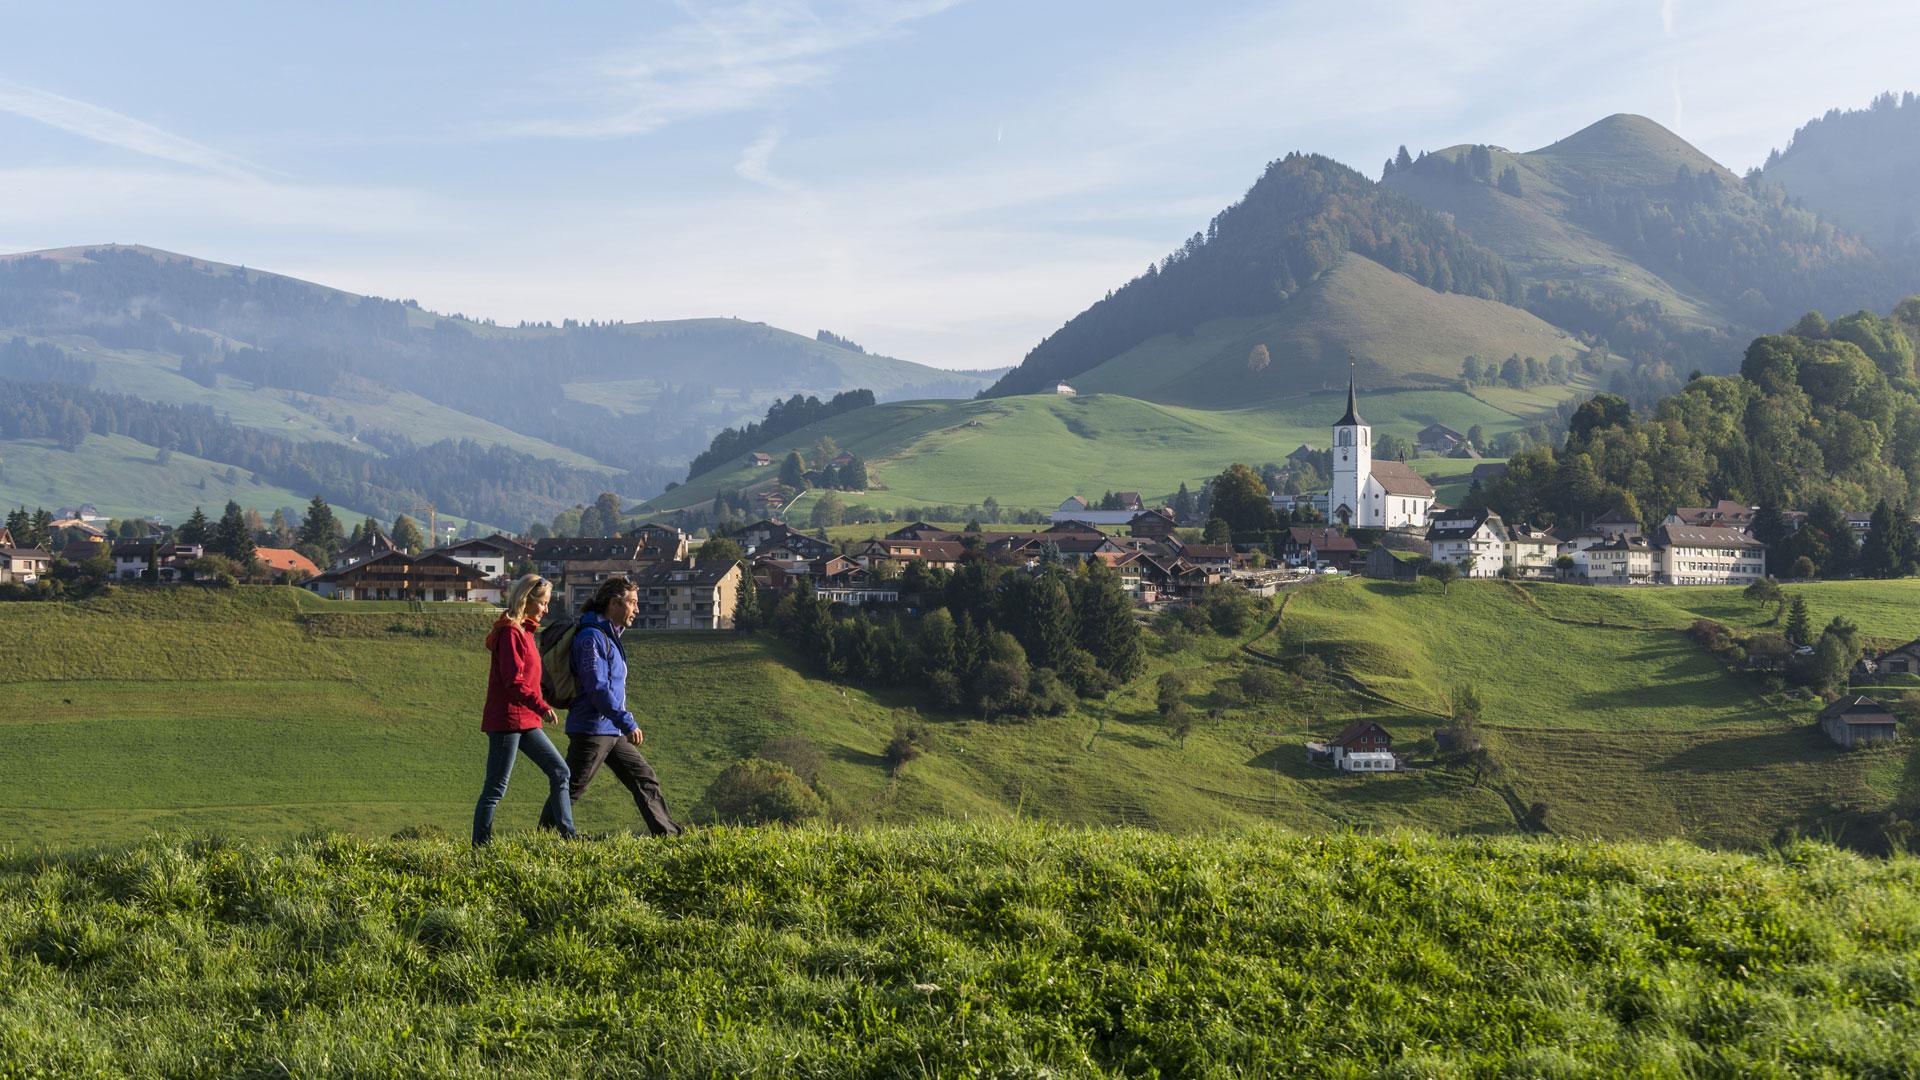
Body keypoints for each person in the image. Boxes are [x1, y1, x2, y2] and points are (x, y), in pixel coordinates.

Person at [542, 575, 683, 835]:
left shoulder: (608, 636)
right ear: (614, 604)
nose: (637, 609)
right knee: (572, 787)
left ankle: (669, 835)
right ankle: (544, 836)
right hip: (592, 728)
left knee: (643, 777)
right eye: (633, 603)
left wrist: (619, 723)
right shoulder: (591, 638)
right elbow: (597, 687)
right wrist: (625, 720)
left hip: (610, 730)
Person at [473, 574, 576, 846]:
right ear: (527, 600)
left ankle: (569, 836)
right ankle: (480, 847)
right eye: (543, 603)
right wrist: (541, 706)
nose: (546, 609)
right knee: (495, 789)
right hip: (507, 720)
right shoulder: (510, 633)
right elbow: (513, 681)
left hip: (526, 719)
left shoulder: (526, 633)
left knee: (560, 772)